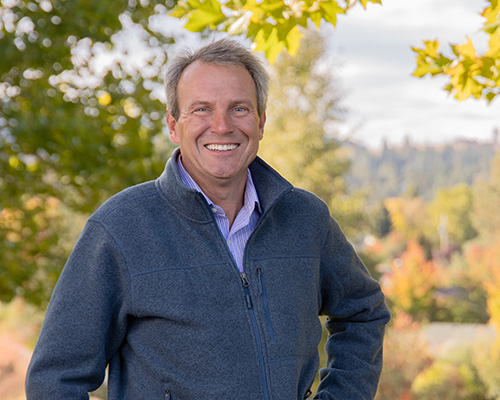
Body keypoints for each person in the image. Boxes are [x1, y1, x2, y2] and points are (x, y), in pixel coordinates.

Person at [26, 38, 390, 400]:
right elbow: (54, 379)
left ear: (260, 123)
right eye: (201, 109)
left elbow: (364, 313)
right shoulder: (121, 228)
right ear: (173, 125)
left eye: (239, 109)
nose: (221, 126)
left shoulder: (306, 220)